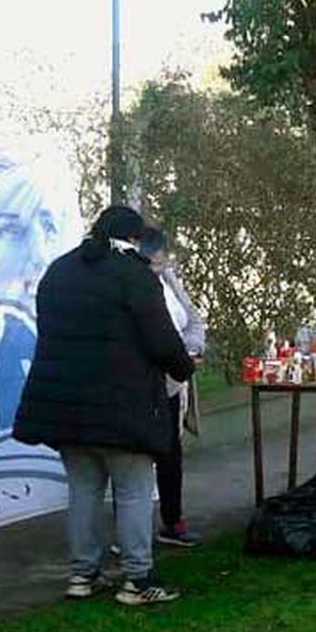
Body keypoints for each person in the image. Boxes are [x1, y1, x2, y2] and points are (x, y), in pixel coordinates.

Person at [14, 205, 196, 606]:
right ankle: (137, 579)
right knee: (133, 490)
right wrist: (184, 368)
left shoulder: (59, 271)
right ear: (133, 240)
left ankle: (82, 574)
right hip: (123, 403)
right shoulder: (134, 276)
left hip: (65, 403)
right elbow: (162, 339)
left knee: (83, 490)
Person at [138, 227, 208, 549]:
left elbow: (193, 319)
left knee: (171, 453)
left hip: (173, 378)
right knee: (138, 458)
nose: (163, 261)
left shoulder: (168, 279)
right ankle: (133, 531)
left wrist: (190, 349)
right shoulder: (134, 281)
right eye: (160, 257)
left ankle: (173, 520)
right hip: (143, 380)